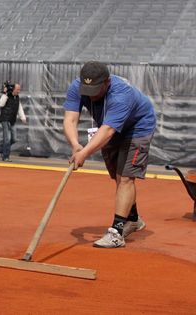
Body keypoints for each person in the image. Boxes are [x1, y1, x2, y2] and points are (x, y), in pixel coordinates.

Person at [63, 61, 156, 248]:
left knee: (126, 178)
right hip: (108, 126)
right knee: (117, 175)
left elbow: (107, 132)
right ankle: (134, 219)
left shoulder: (122, 94)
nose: (91, 95)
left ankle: (116, 233)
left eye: (96, 89)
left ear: (107, 82)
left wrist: (85, 153)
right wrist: (75, 145)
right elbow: (70, 118)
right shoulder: (76, 86)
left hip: (137, 128)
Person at [0, 82, 26, 162]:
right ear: (13, 89)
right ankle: (5, 157)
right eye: (17, 89)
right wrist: (5, 94)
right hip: (5, 119)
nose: (19, 91)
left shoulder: (17, 97)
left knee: (14, 139)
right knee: (7, 139)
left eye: (19, 89)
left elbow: (19, 108)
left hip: (12, 120)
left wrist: (23, 117)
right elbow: (0, 104)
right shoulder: (6, 95)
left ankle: (0, 149)